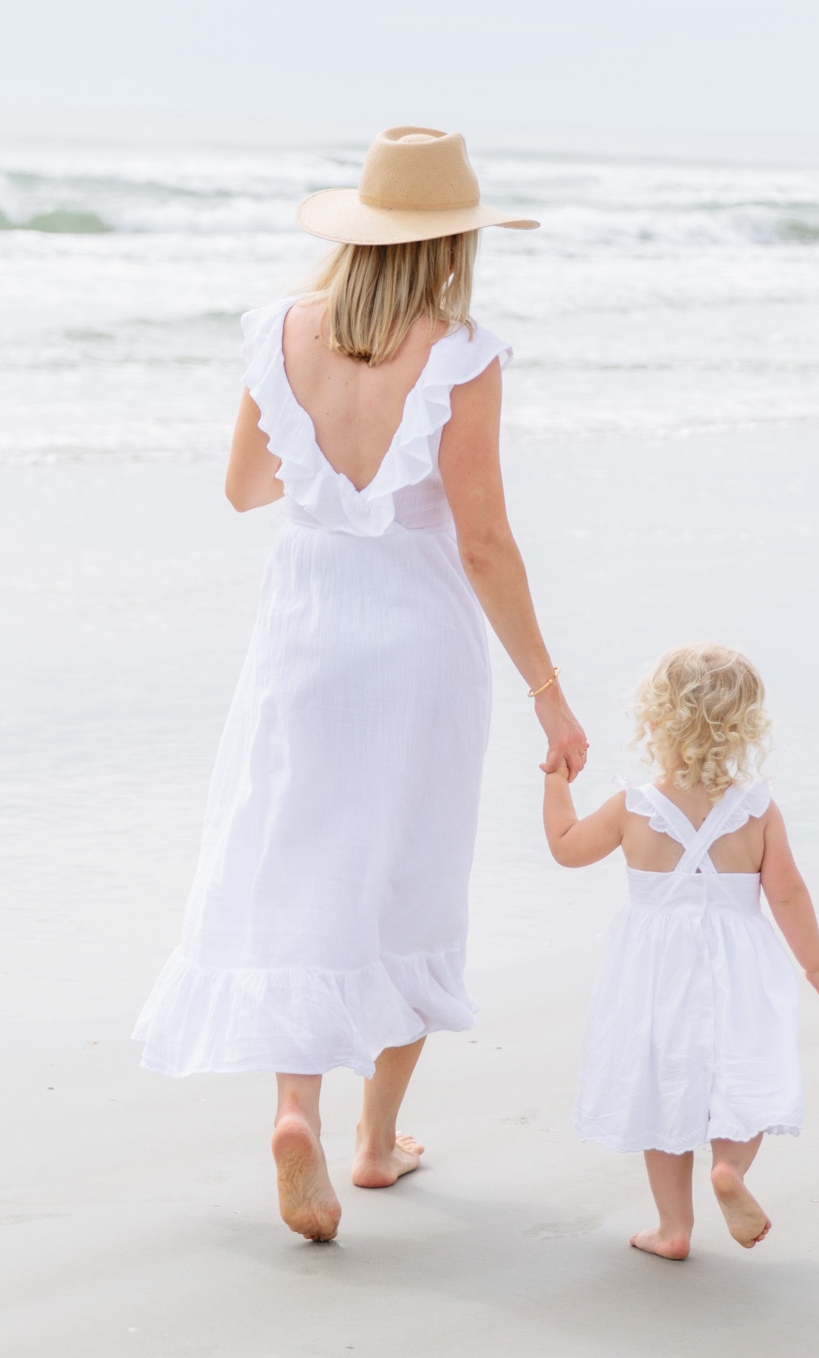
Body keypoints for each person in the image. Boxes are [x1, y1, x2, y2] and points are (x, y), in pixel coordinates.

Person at [135, 126, 587, 1241]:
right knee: (405, 879)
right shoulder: (462, 355)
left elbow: (245, 488)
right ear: (452, 241)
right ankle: (376, 1143)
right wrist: (547, 690)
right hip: (417, 647)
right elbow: (482, 540)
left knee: (299, 866)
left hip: (303, 635)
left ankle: (296, 1110)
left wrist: (317, 460)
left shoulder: (274, 331)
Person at [542, 641, 819, 1259]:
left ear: (652, 720)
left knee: (664, 1084)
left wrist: (556, 781)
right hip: (738, 964)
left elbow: (567, 847)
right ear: (745, 727)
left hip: (656, 969)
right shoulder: (758, 809)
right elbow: (787, 894)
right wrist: (816, 966)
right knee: (745, 1070)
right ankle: (730, 1168)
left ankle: (673, 1228)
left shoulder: (635, 807)